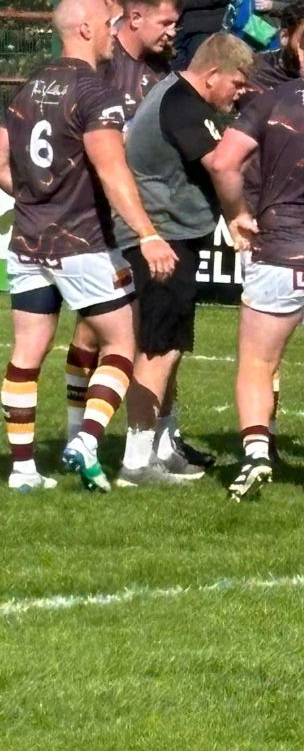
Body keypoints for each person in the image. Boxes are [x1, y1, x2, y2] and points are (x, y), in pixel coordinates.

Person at [0, 0, 177, 493]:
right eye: (108, 24)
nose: (114, 32)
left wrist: (35, 201)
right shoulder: (95, 92)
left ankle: (24, 469)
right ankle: (87, 439)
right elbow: (112, 171)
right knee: (122, 342)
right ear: (87, 29)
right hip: (83, 242)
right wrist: (149, 233)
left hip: (27, 241)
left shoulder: (26, 88)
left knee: (27, 352)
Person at [114, 33, 253, 487]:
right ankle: (136, 462)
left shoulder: (182, 98)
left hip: (173, 236)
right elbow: (221, 164)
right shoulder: (182, 102)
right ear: (212, 74)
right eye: (237, 82)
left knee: (171, 346)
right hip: (161, 239)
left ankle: (164, 446)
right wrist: (239, 215)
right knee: (157, 347)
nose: (240, 91)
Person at [63, 0, 181, 440]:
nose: (174, 31)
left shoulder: (162, 69)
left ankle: (163, 436)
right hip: (101, 219)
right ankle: (79, 433)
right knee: (95, 331)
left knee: (160, 332)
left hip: (147, 218)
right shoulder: (103, 67)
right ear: (135, 18)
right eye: (166, 22)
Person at [204, 28, 304, 499]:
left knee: (257, 363)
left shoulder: (273, 101)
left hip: (282, 250)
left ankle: (257, 455)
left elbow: (224, 162)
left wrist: (237, 214)